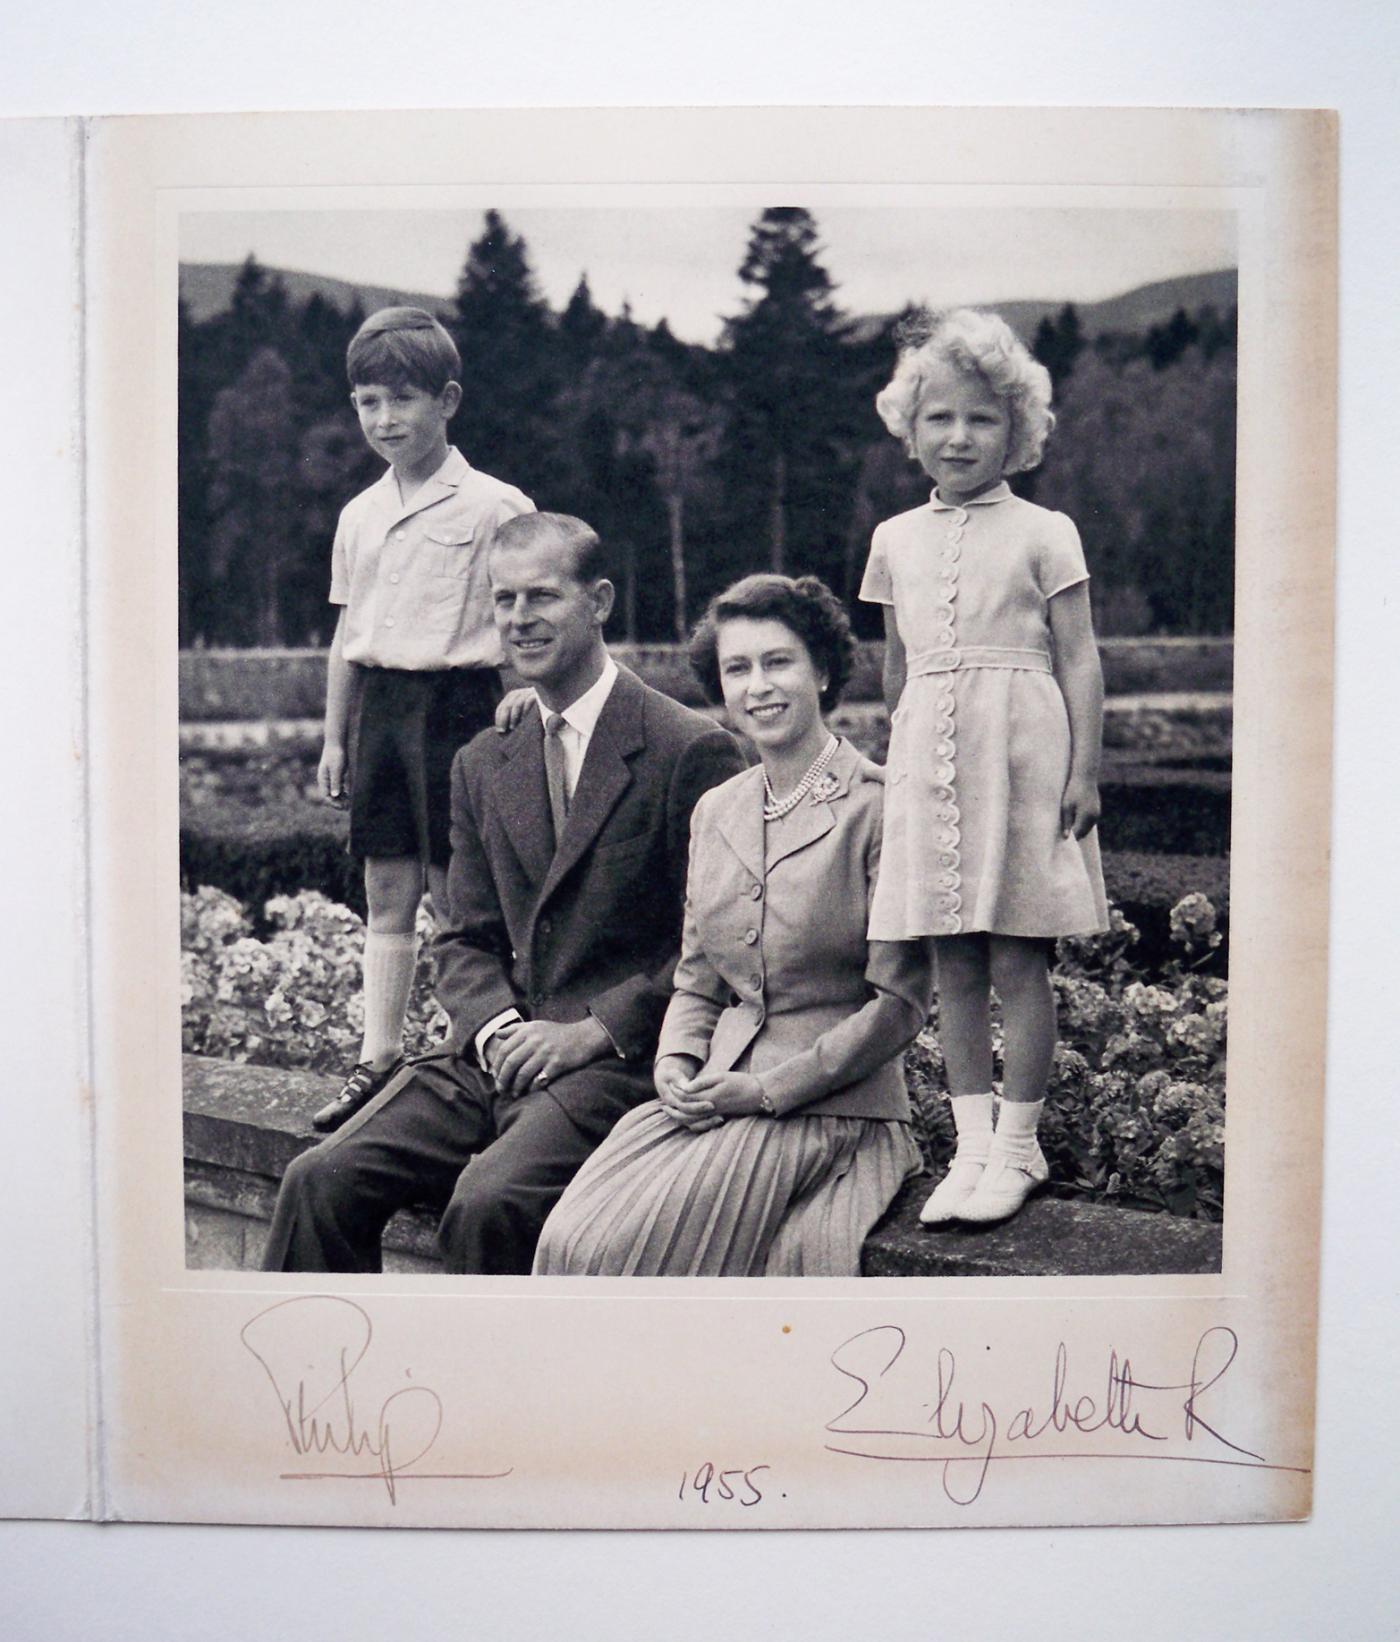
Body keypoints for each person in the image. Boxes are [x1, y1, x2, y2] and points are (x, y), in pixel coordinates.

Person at [262, 512, 745, 1274]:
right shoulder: (483, 761)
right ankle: (316, 1389)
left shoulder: (688, 748)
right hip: (493, 1058)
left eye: (542, 597)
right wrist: (492, 1029)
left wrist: (592, 1032)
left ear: (600, 602)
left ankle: (482, 1393)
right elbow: (463, 936)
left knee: (490, 1203)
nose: (520, 619)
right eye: (504, 600)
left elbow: (715, 945)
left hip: (609, 1065)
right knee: (318, 1178)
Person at [534, 574, 933, 1277]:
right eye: (737, 669)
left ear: (824, 670)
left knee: (611, 1251)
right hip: (716, 1099)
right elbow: (697, 980)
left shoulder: (881, 807)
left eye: (778, 662)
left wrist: (769, 1090)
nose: (759, 687)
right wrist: (675, 1063)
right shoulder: (717, 809)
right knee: (568, 1238)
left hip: (834, 1113)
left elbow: (899, 1006)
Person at [861, 307, 1108, 1227]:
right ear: (911, 429)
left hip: (1023, 751)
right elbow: (897, 668)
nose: (960, 436)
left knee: (1017, 957)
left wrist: (1084, 771)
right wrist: (899, 769)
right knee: (950, 959)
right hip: (932, 756)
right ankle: (969, 1148)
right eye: (941, 419)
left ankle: (1019, 1146)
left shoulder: (1047, 530)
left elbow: (1080, 656)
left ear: (1018, 431)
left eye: (982, 419)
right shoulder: (893, 539)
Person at [309, 306, 534, 1135]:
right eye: (368, 402)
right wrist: (336, 736)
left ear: (448, 400)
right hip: (384, 713)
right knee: (387, 884)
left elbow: (528, 613)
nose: (384, 420)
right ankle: (376, 1060)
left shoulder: (493, 505)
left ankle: (455, 1056)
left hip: (461, 708)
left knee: (457, 890)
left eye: (401, 399)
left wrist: (527, 694)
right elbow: (347, 636)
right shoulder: (358, 515)